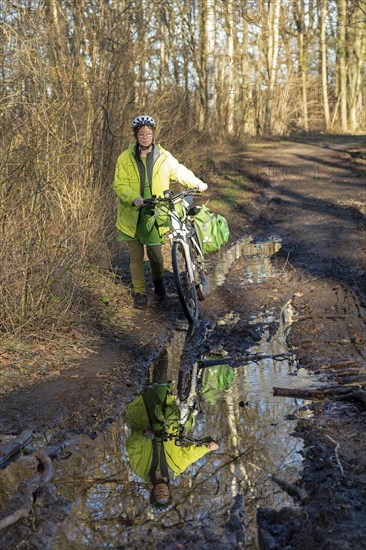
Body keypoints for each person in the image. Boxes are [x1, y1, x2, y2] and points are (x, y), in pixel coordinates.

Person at [113, 115, 208, 309]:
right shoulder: (125, 158)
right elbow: (119, 184)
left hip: (156, 212)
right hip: (133, 212)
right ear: (136, 136)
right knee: (136, 256)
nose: (145, 137)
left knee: (156, 254)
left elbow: (179, 171)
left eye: (148, 133)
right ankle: (140, 292)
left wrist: (197, 183)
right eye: (141, 134)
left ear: (153, 134)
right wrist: (134, 197)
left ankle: (158, 284)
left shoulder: (164, 157)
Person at [125, 383, 219, 511]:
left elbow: (131, 446)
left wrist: (144, 436)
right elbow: (192, 455)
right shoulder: (177, 467)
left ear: (152, 492)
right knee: (162, 375)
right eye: (164, 494)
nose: (161, 492)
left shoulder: (140, 470)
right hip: (167, 412)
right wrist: (208, 448)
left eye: (158, 495)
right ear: (169, 492)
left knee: (137, 375)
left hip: (141, 410)